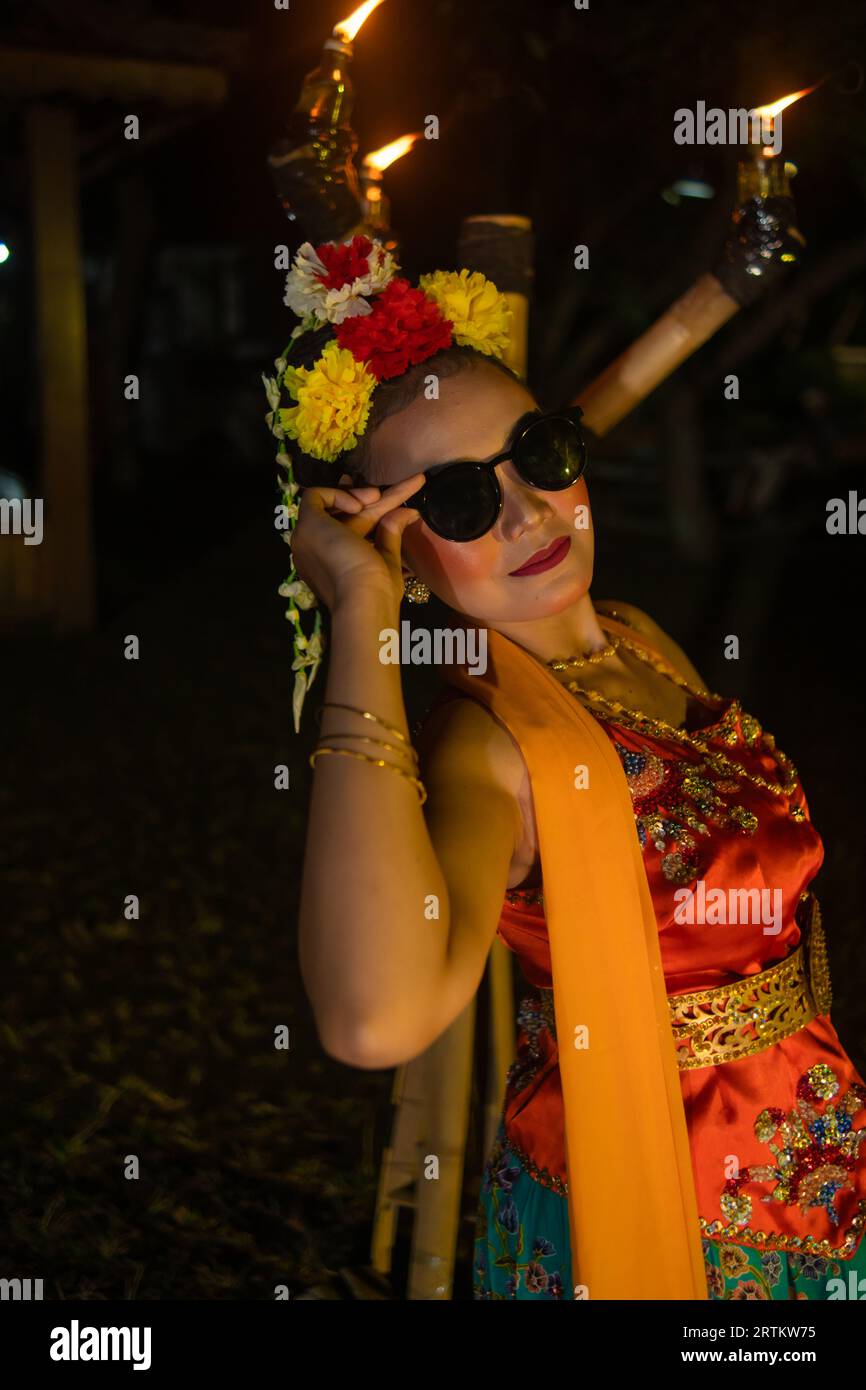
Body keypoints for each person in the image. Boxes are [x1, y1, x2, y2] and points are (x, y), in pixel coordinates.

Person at [271, 235, 866, 1301]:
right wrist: (359, 615)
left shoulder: (635, 639)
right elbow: (372, 1021)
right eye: (456, 503)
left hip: (811, 1152)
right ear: (394, 545)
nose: (527, 513)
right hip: (655, 1207)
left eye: (535, 457)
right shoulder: (492, 751)